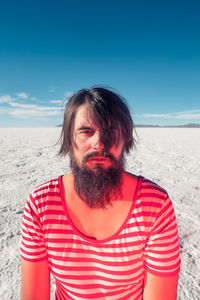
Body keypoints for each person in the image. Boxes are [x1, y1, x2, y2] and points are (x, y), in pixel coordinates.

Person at [20, 87, 181, 300]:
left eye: (112, 132)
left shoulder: (153, 206)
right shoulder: (42, 206)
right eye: (86, 132)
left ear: (126, 139)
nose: (99, 143)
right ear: (69, 139)